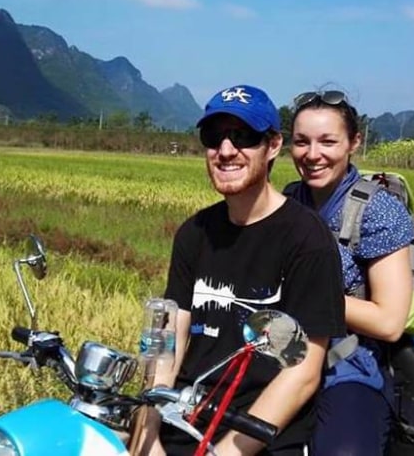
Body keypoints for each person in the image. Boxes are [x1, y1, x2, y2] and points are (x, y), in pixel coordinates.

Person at [138, 84, 346, 456]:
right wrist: (147, 434)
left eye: (243, 137)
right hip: (183, 420)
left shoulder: (307, 239)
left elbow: (302, 374)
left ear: (273, 146)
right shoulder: (194, 233)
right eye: (214, 137)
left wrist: (223, 454)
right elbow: (167, 343)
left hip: (259, 435)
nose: (226, 150)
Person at [284, 90, 414, 455]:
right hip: (285, 355)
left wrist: (307, 299)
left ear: (354, 142)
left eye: (328, 141)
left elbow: (390, 321)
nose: (313, 155)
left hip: (347, 365)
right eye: (301, 142)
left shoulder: (377, 211)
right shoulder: (289, 200)